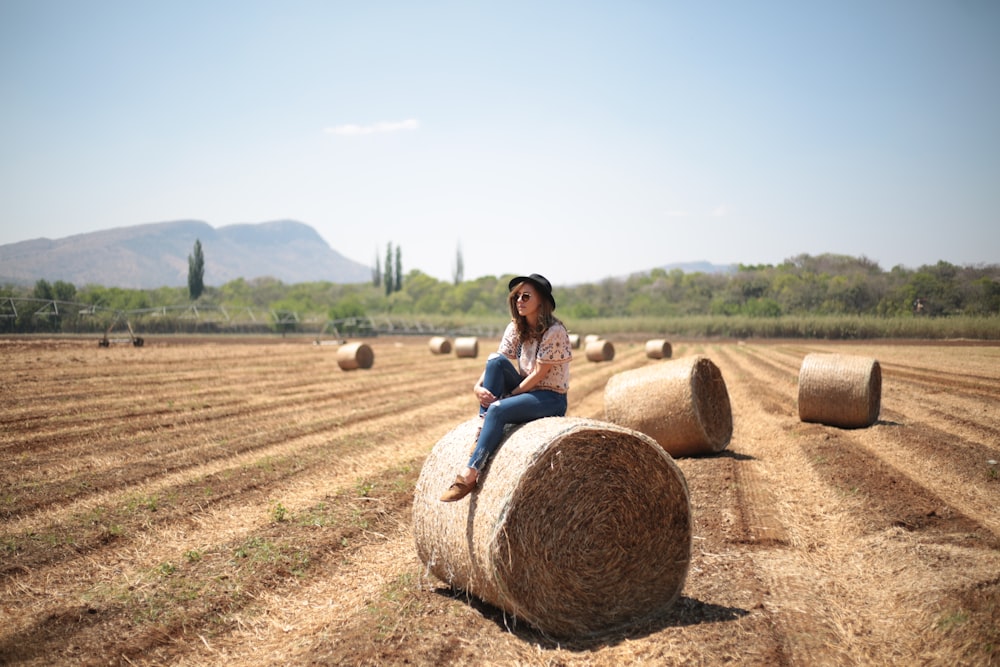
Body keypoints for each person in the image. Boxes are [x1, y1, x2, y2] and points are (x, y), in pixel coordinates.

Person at [440, 273, 573, 502]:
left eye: (526, 296)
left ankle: (470, 473)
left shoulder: (555, 332)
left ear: (541, 301)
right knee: (495, 361)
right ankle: (482, 429)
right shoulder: (516, 327)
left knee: (499, 409)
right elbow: (501, 358)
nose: (519, 300)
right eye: (516, 297)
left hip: (550, 397)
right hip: (527, 390)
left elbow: (540, 374)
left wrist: (509, 397)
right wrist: (476, 387)